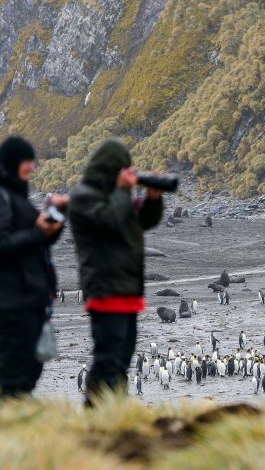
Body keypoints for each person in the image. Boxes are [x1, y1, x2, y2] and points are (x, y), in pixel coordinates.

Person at [68, 138, 163, 406]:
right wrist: (122, 191)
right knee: (107, 356)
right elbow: (109, 222)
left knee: (122, 358)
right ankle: (93, 412)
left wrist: (152, 200)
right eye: (123, 168)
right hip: (105, 288)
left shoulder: (116, 199)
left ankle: (113, 411)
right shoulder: (84, 197)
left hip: (127, 290)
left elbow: (143, 220)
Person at [0, 136, 64, 398]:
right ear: (14, 163)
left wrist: (56, 220)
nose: (33, 167)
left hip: (28, 296)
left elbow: (35, 242)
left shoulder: (17, 197)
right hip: (12, 298)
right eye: (28, 162)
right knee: (12, 367)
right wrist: (38, 232)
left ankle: (10, 419)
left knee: (30, 366)